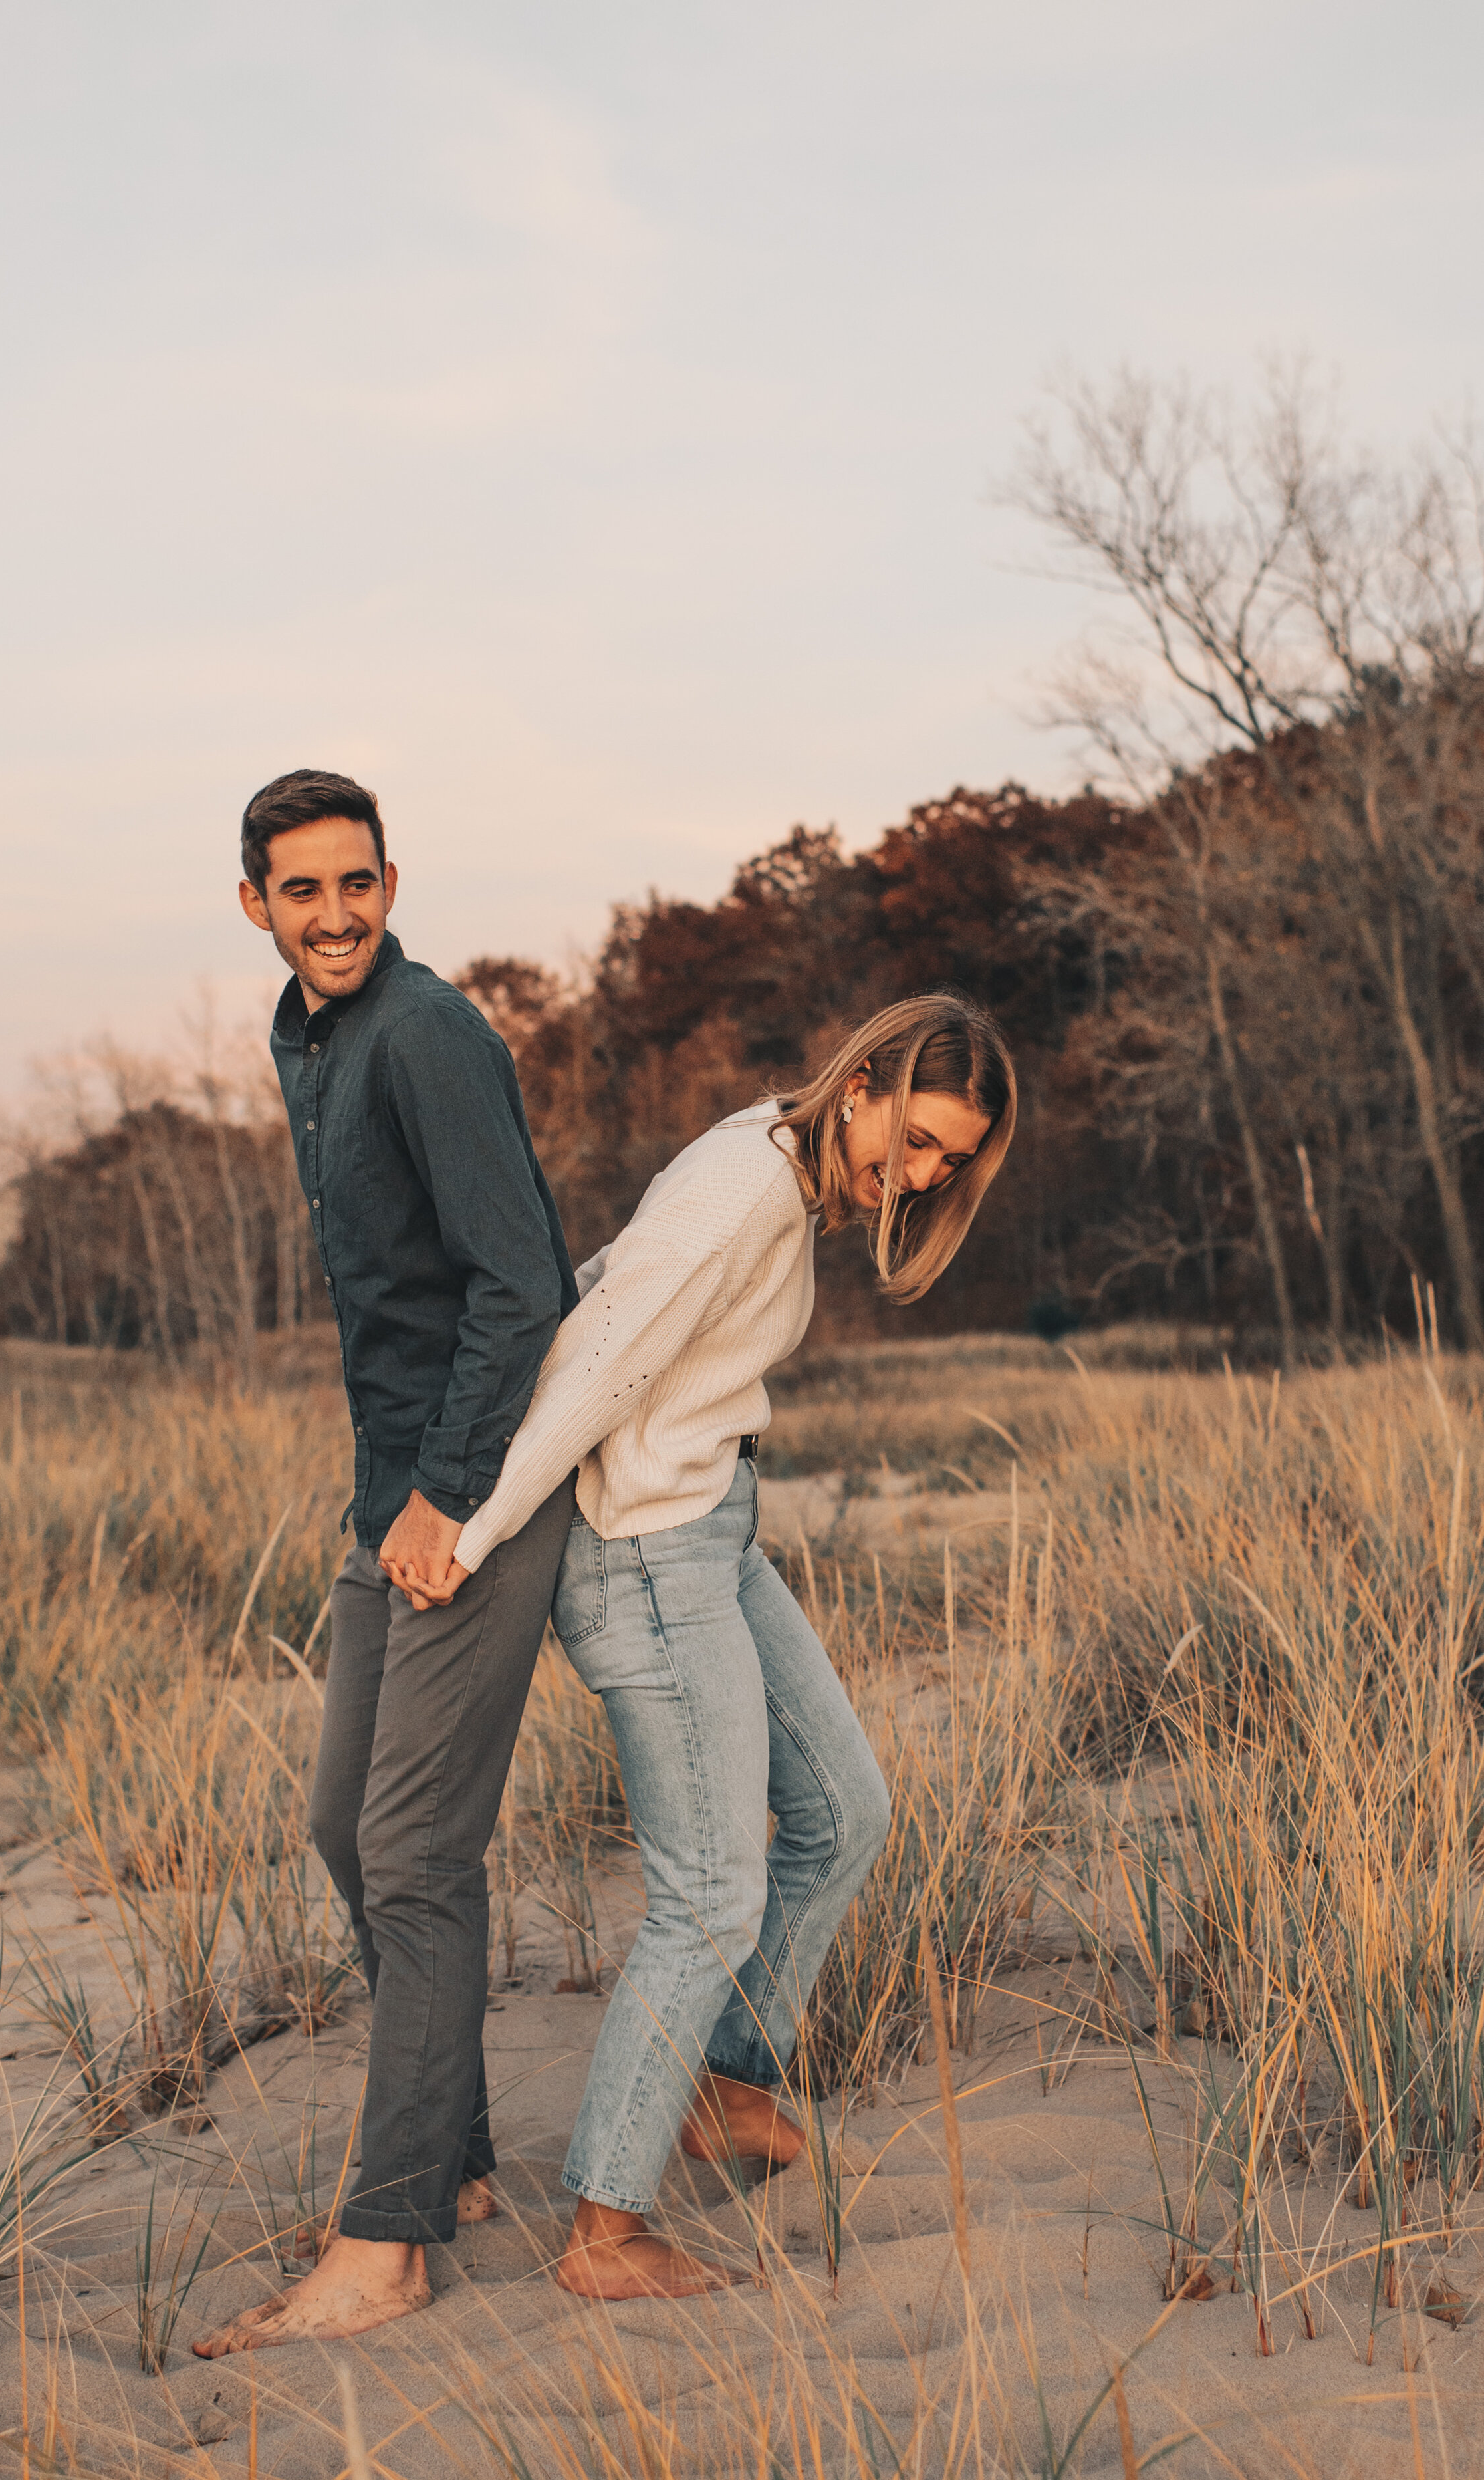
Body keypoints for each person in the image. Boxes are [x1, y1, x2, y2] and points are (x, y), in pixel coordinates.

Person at [428, 992, 1016, 2298]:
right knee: (707, 1889)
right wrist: (469, 1535)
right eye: (914, 1137)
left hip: (708, 1527)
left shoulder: (786, 1171)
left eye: (945, 1160)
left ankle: (727, 2084)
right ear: (861, 1080)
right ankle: (604, 2223)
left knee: (844, 1813)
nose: (916, 1175)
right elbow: (596, 1360)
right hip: (640, 1554)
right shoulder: (743, 1187)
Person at [195, 769, 578, 2354]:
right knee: (345, 1822)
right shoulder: (309, 1037)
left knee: (413, 1849)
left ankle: (390, 2236)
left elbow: (521, 1282)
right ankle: (460, 2157)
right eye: (304, 891)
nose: (336, 913)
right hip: (394, 1495)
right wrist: (389, 1499)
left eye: (358, 882)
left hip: (471, 1493)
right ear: (256, 906)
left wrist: (441, 1494)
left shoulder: (422, 1029)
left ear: (390, 877)